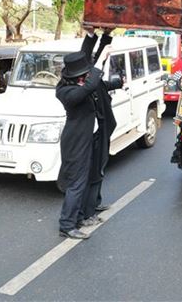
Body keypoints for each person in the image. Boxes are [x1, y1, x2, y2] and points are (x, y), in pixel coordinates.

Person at [55, 28, 122, 240]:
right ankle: (67, 225)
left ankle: (83, 215)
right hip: (76, 143)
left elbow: (84, 62)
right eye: (83, 74)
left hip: (90, 139)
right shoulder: (67, 92)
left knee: (90, 178)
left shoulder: (79, 81)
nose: (86, 75)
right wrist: (101, 60)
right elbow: (92, 80)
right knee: (76, 184)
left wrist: (95, 37)